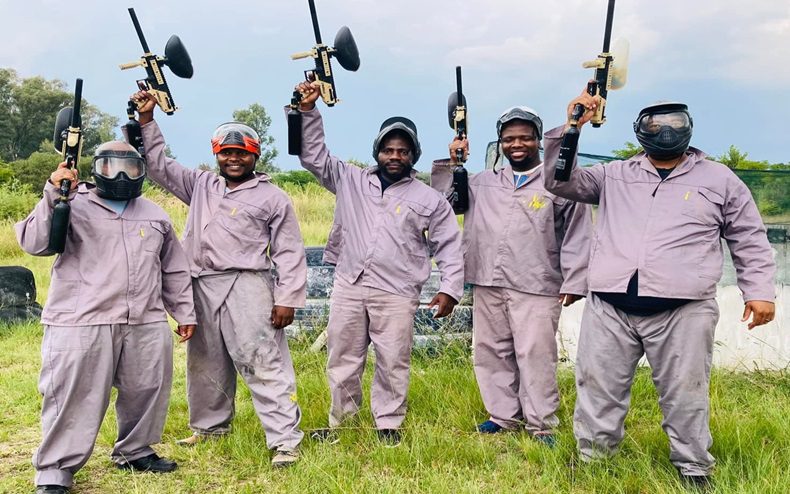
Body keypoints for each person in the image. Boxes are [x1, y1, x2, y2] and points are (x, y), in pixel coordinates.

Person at [543, 91, 777, 487]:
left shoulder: (720, 179)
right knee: (598, 387)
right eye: (655, 125)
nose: (666, 133)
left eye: (675, 124)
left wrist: (759, 290)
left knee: (685, 393)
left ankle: (693, 468)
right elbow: (557, 180)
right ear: (639, 131)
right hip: (610, 306)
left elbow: (749, 237)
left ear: (689, 128)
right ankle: (594, 461)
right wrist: (571, 127)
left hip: (684, 309)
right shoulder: (613, 174)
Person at [131, 90, 308, 467]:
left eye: (241, 152)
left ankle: (284, 441)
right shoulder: (200, 185)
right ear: (217, 155)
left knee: (262, 360)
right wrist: (146, 120)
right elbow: (160, 165)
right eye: (226, 153)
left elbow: (290, 251)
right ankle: (210, 428)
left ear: (254, 156)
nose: (233, 159)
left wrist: (288, 297)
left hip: (248, 284)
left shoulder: (273, 197)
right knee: (205, 359)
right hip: (200, 283)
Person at [16, 142, 197, 494]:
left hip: (145, 318)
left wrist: (183, 311)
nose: (120, 176)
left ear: (141, 171)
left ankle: (135, 450)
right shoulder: (71, 203)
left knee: (146, 389)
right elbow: (35, 242)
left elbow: (173, 268)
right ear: (97, 168)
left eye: (129, 169)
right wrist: (54, 191)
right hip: (82, 319)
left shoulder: (155, 214)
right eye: (111, 167)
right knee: (74, 396)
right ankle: (55, 471)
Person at [291, 80, 464, 446]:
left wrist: (450, 288)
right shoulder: (350, 180)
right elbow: (314, 156)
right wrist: (308, 111)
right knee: (343, 358)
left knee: (392, 360)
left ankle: (388, 425)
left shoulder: (428, 198)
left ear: (413, 155)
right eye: (388, 149)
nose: (395, 156)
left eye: (403, 150)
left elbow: (449, 243)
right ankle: (344, 425)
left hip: (397, 291)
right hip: (350, 284)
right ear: (377, 151)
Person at [431, 107, 591, 445]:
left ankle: (541, 423)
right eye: (508, 139)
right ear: (500, 143)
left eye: (524, 138)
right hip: (487, 279)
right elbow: (445, 203)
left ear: (537, 140)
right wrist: (452, 164)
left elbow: (578, 232)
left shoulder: (556, 183)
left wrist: (576, 280)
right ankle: (502, 416)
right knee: (491, 351)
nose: (516, 144)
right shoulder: (484, 181)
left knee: (535, 355)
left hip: (537, 283)